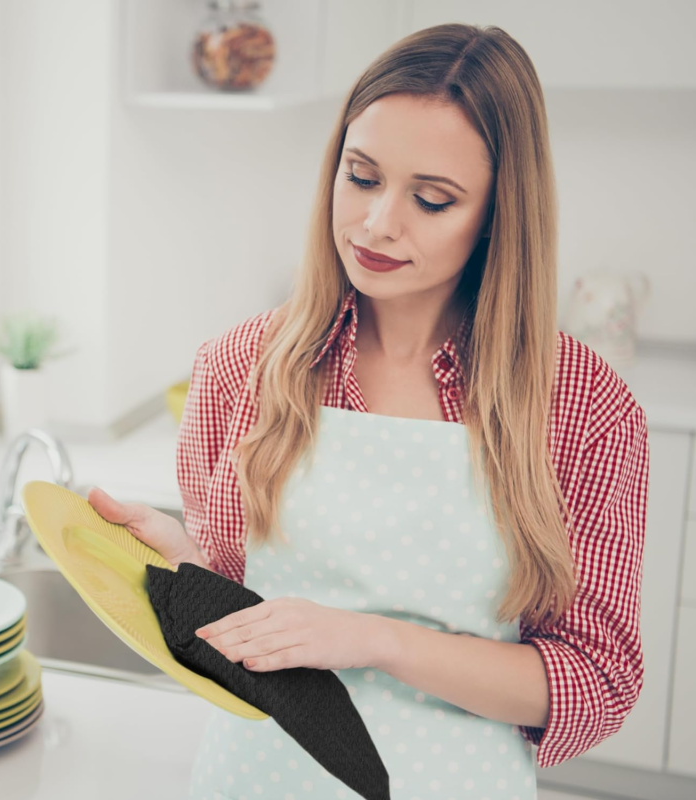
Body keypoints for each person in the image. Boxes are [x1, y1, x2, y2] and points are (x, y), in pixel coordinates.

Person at [90, 22, 650, 800]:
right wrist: (185, 565)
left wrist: (375, 640)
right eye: (361, 177)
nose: (379, 222)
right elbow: (249, 614)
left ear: (497, 213)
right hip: (254, 779)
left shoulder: (582, 405)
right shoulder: (241, 367)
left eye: (431, 198)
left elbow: (596, 678)